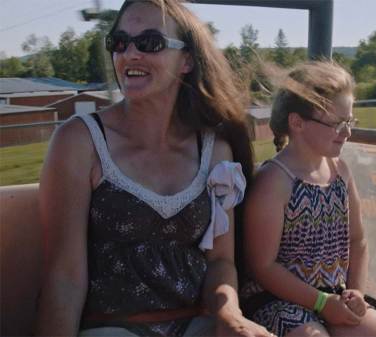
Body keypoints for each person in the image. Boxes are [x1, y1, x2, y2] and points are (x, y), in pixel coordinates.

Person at [35, 1, 272, 336]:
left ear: (187, 60)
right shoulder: (80, 141)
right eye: (119, 43)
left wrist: (230, 317)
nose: (129, 54)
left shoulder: (215, 151)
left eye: (149, 43)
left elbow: (220, 261)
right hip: (113, 327)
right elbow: (64, 275)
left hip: (195, 323)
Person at [241, 61, 376, 337]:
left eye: (349, 121)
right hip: (275, 299)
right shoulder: (274, 182)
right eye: (337, 123)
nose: (347, 132)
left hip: (333, 296)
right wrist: (321, 303)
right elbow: (262, 266)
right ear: (297, 123)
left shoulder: (340, 172)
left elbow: (357, 241)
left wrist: (355, 294)